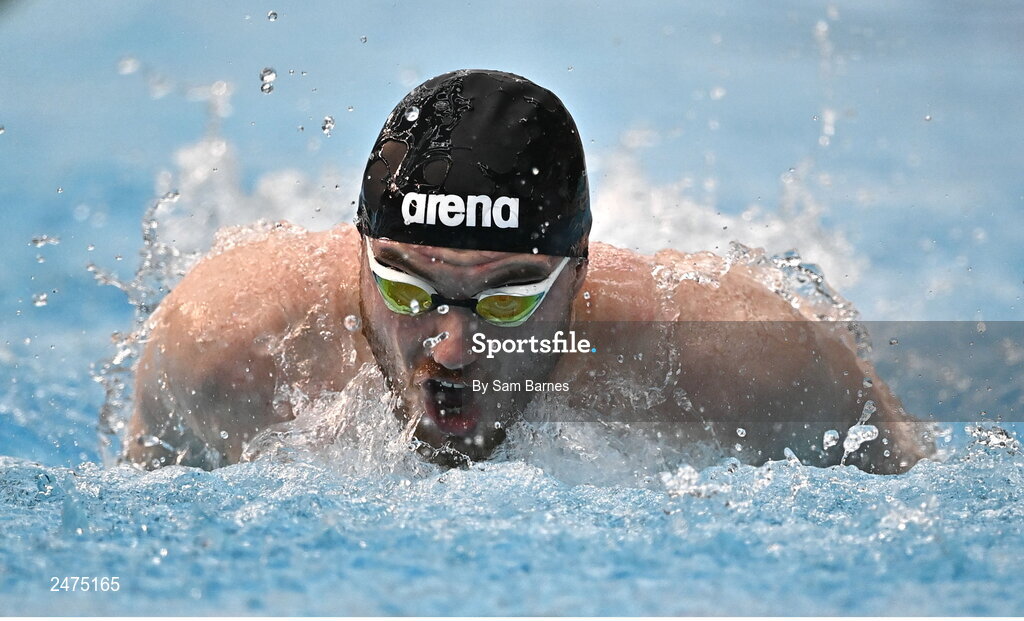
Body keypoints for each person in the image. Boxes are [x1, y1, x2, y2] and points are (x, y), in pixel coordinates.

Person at [126, 69, 933, 473]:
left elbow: (920, 477)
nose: (449, 346)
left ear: (577, 275)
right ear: (357, 258)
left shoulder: (737, 356)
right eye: (407, 285)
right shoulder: (222, 344)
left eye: (507, 298)